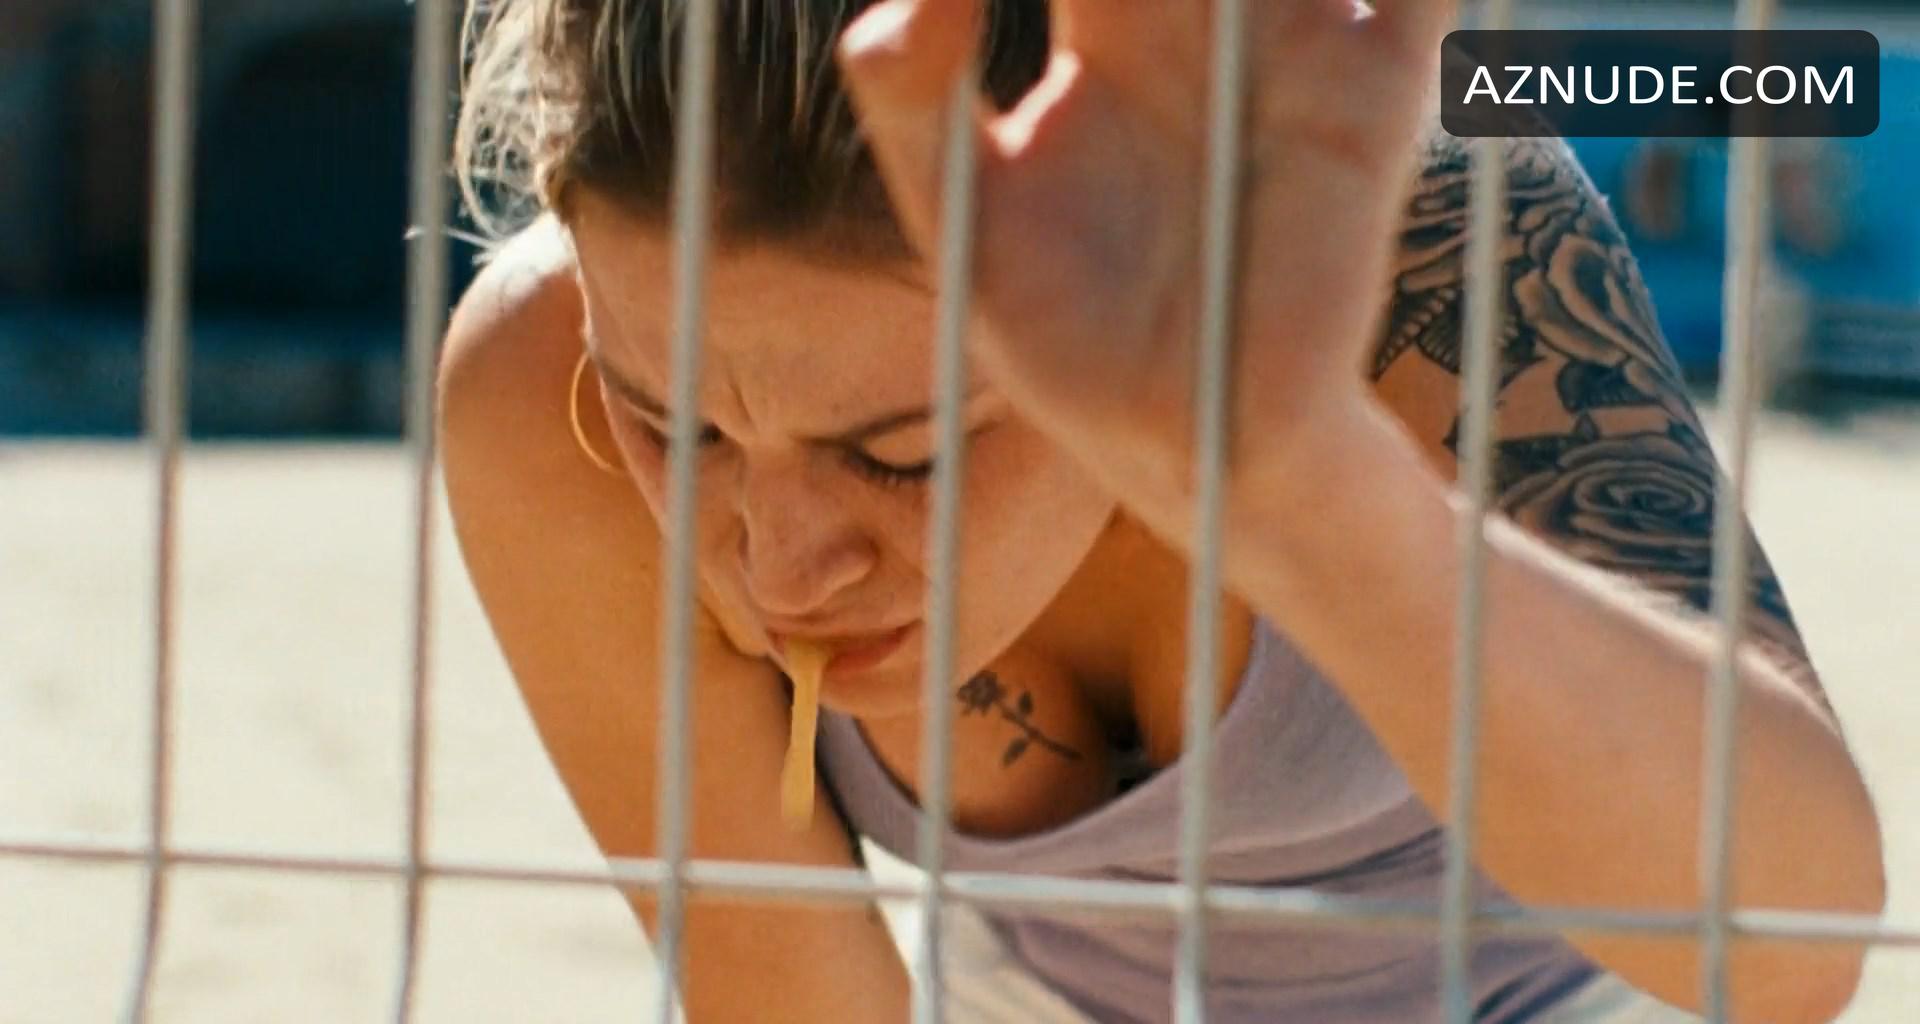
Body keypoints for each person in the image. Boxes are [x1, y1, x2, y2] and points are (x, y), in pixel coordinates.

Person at [436, 1, 1886, 1021]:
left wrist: (1304, 479)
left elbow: (1789, 947)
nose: (778, 566)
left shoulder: (1403, 239)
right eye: (676, 426)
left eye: (908, 454)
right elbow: (789, 1003)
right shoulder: (543, 382)